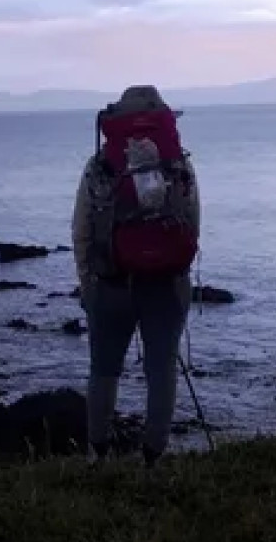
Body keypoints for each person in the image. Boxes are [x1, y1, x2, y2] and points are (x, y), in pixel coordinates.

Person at [72, 84, 200, 467]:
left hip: (111, 284)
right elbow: (192, 225)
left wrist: (87, 284)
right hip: (166, 286)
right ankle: (153, 459)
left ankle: (98, 454)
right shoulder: (178, 165)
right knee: (161, 372)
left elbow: (81, 230)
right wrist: (177, 273)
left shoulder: (99, 166)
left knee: (104, 370)